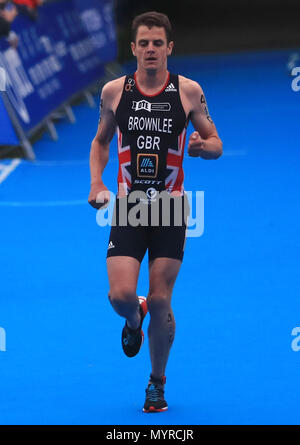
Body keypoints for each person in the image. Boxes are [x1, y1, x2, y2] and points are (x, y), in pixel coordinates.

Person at [88, 11, 223, 412]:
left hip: (169, 207)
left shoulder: (188, 92)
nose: (150, 49)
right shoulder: (114, 91)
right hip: (130, 207)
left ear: (169, 48)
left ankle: (157, 384)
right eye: (143, 43)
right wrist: (96, 183)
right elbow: (100, 142)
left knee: (162, 299)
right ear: (133, 49)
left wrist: (202, 147)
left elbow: (216, 141)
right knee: (120, 294)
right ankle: (134, 318)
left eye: (157, 43)